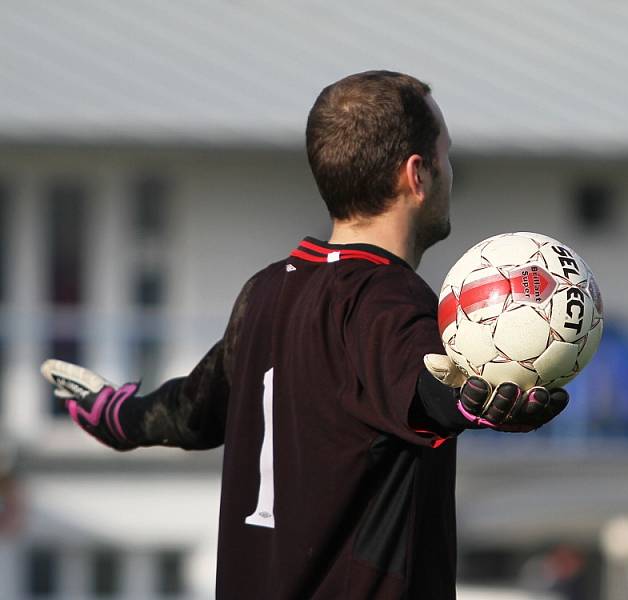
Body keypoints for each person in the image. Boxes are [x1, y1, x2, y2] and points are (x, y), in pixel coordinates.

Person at [40, 70, 568, 600]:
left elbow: (187, 412)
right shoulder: (388, 300)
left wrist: (114, 414)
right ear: (417, 174)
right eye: (446, 154)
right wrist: (470, 404)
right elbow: (419, 385)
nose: (450, 171)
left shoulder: (266, 294)